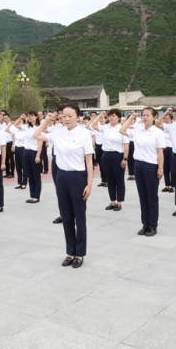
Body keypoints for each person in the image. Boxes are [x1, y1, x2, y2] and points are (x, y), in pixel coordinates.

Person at [34, 105, 93, 268]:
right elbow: (36, 135)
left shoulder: (84, 134)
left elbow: (89, 161)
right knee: (66, 216)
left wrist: (89, 184)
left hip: (77, 177)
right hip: (61, 177)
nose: (66, 119)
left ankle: (80, 253)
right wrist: (46, 120)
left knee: (79, 216)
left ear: (78, 117)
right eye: (64, 116)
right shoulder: (57, 132)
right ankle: (70, 252)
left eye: (70, 116)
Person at [120, 108, 165, 236]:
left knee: (151, 197)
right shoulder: (138, 130)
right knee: (143, 196)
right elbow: (122, 130)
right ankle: (145, 224)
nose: (145, 117)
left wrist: (160, 168)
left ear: (154, 117)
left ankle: (152, 226)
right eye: (143, 115)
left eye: (148, 115)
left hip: (151, 166)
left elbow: (160, 152)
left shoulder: (157, 132)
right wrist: (131, 118)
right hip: (138, 165)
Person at [91, 109, 128, 211]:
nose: (111, 118)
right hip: (106, 155)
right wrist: (100, 116)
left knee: (119, 179)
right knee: (110, 180)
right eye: (110, 116)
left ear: (118, 117)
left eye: (113, 116)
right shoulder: (106, 127)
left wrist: (125, 158)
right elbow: (93, 125)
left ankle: (119, 202)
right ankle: (112, 201)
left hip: (118, 155)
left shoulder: (122, 129)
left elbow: (126, 145)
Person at [18, 112, 43, 203]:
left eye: (32, 116)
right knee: (30, 175)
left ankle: (37, 196)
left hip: (34, 152)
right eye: (29, 116)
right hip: (26, 152)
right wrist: (21, 117)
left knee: (36, 175)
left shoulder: (39, 128)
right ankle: (32, 195)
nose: (30, 117)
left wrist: (38, 155)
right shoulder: (26, 127)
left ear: (36, 117)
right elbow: (15, 125)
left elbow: (40, 143)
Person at [7, 115, 28, 190]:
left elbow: (18, 125)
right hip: (17, 148)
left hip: (23, 148)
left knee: (24, 166)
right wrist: (11, 123)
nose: (19, 124)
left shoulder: (26, 130)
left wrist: (23, 119)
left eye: (21, 122)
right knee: (18, 166)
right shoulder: (16, 130)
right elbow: (7, 130)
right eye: (19, 122)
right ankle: (19, 182)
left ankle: (24, 182)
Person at [89, 114, 107, 188]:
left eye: (103, 118)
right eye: (100, 118)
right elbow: (87, 126)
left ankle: (108, 180)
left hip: (105, 147)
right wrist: (93, 119)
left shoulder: (107, 127)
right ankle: (103, 180)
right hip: (98, 146)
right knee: (100, 164)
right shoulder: (97, 126)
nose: (101, 120)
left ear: (106, 119)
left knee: (105, 165)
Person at [160, 112, 174, 193]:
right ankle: (167, 185)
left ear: (171, 119)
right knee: (165, 168)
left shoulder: (174, 126)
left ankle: (172, 185)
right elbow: (157, 123)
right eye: (165, 119)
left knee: (172, 168)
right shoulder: (163, 126)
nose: (166, 120)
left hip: (171, 148)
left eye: (168, 118)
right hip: (164, 149)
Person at [2, 113, 15, 178]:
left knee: (11, 159)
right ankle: (7, 172)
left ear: (9, 118)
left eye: (6, 118)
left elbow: (14, 136)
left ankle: (12, 173)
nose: (5, 119)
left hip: (10, 143)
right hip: (4, 143)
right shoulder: (3, 126)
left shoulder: (12, 126)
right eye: (4, 118)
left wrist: (13, 145)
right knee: (5, 158)